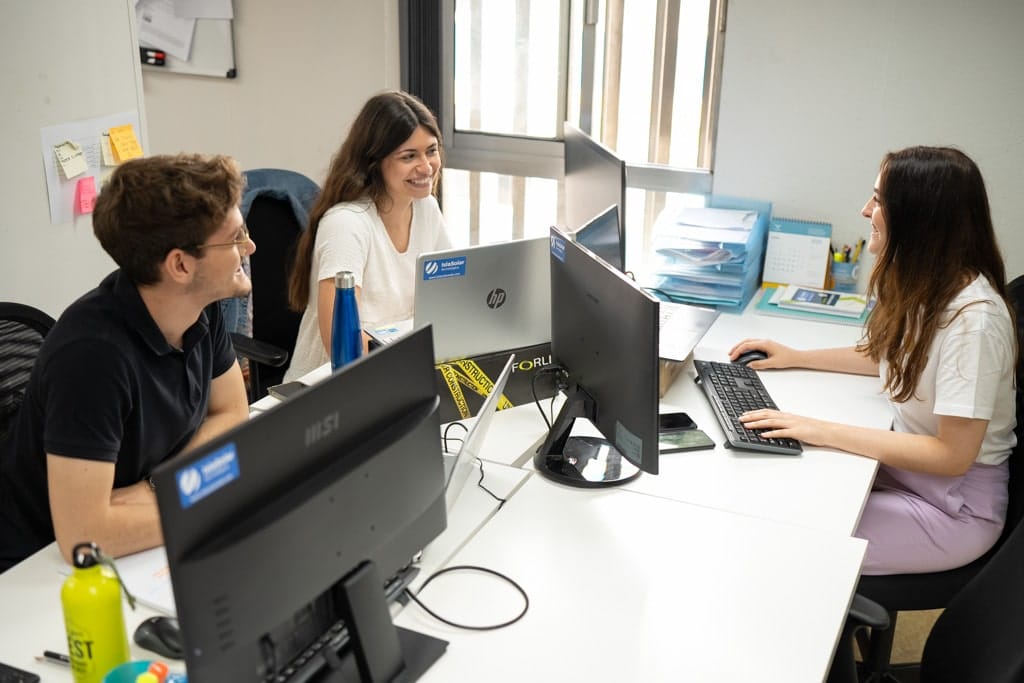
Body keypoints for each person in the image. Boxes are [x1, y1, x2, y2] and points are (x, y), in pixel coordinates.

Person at [731, 146, 1017, 575]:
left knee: (785, 542)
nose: (866, 210)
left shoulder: (974, 321)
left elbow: (952, 455)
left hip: (952, 508)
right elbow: (889, 357)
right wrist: (797, 357)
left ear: (919, 217)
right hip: (906, 473)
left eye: (880, 200)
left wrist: (821, 429)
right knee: (773, 494)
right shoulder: (930, 286)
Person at [0, 154, 253, 571]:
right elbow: (85, 535)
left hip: (134, 535)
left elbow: (231, 411)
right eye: (235, 238)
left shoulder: (199, 306)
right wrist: (205, 506)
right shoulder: (91, 355)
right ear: (181, 265)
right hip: (38, 567)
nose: (250, 247)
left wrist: (161, 486)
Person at [285, 90, 451, 381]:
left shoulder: (426, 209)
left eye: (431, 150)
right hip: (328, 390)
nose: (426, 167)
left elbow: (453, 295)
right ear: (374, 162)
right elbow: (342, 349)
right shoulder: (346, 225)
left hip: (397, 374)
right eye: (409, 156)